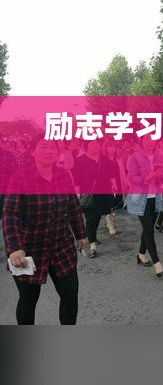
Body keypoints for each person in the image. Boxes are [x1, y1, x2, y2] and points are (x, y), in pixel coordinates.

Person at [2, 134, 87, 325]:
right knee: (28, 299)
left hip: (61, 247)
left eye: (52, 147)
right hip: (26, 250)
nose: (49, 151)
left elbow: (73, 207)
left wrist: (81, 234)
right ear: (32, 151)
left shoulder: (63, 175)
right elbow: (10, 215)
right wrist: (14, 248)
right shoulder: (19, 179)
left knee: (70, 294)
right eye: (43, 147)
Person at [126, 135, 163, 278]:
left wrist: (160, 176)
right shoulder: (134, 157)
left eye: (152, 139)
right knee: (149, 229)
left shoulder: (158, 156)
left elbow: (162, 177)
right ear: (141, 141)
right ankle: (157, 263)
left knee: (147, 228)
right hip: (140, 198)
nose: (150, 141)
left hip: (155, 197)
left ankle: (141, 254)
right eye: (147, 139)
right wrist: (147, 179)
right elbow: (131, 178)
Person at [73, 140, 117, 258]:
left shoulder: (104, 159)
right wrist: (77, 194)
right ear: (86, 146)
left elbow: (111, 173)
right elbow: (76, 179)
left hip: (103, 193)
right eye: (91, 144)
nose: (95, 146)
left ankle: (92, 236)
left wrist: (114, 184)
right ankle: (92, 246)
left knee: (97, 217)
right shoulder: (80, 160)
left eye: (96, 144)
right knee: (91, 218)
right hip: (89, 195)